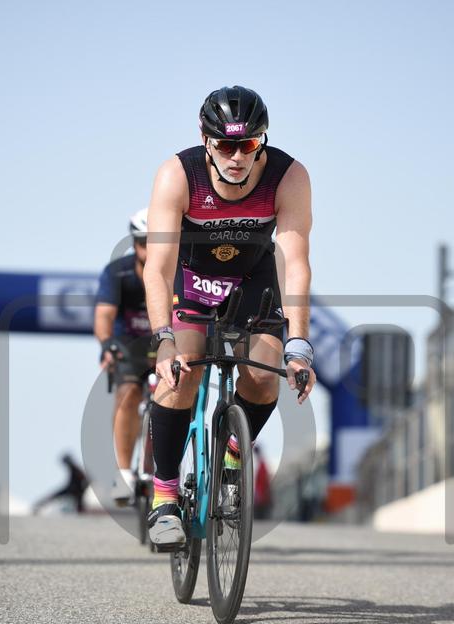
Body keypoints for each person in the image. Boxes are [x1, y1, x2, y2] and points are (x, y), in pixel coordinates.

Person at [143, 85, 316, 547]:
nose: (237, 157)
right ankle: (164, 497)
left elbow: (295, 265)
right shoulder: (178, 175)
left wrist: (299, 345)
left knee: (262, 375)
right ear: (206, 141)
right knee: (182, 372)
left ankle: (233, 458)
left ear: (262, 140)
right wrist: (163, 339)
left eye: (248, 144)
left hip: (252, 281)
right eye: (224, 145)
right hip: (193, 279)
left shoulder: (288, 176)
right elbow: (157, 267)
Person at [94, 209, 155, 505]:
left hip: (165, 342)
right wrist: (107, 345)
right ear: (134, 243)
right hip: (129, 344)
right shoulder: (118, 273)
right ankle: (124, 472)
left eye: (155, 242)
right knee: (128, 393)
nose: (148, 248)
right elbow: (104, 315)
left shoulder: (178, 269)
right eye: (143, 242)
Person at [253, 445, 272, 520]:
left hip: (261, 493)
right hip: (260, 493)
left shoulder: (261, 464)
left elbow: (263, 480)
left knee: (261, 514)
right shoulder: (261, 463)